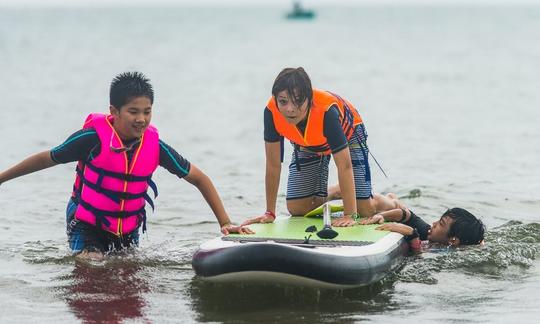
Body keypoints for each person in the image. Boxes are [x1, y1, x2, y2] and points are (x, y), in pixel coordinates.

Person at [0, 71, 252, 260]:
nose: (141, 119)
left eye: (147, 111)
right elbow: (47, 158)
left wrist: (225, 221)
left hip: (127, 228)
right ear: (114, 110)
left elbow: (199, 178)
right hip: (86, 223)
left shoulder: (155, 147)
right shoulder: (92, 139)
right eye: (133, 111)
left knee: (128, 279)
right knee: (93, 268)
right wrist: (2, 178)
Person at [242, 67, 376, 227]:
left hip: (350, 132)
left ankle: (390, 202)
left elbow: (344, 165)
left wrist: (350, 214)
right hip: (309, 143)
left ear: (309, 98)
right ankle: (338, 191)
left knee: (365, 211)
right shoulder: (271, 112)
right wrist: (269, 212)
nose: (290, 109)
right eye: (283, 101)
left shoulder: (326, 112)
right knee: (297, 208)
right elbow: (273, 165)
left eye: (297, 100)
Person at [360, 193, 485, 252]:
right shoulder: (430, 232)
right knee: (395, 205)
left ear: (452, 241)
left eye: (441, 224)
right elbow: (407, 215)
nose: (434, 223)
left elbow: (419, 258)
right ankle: (393, 201)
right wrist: (380, 215)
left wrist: (411, 234)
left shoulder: (448, 255)